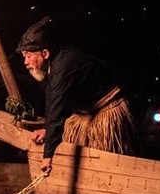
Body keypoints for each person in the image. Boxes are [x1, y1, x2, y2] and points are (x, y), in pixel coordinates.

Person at [17, 16, 141, 174]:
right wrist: (47, 131)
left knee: (105, 164)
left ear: (45, 53)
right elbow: (52, 105)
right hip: (85, 114)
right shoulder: (52, 68)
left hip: (106, 111)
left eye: (28, 56)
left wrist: (48, 157)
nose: (25, 62)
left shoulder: (63, 68)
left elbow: (56, 109)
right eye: (24, 57)